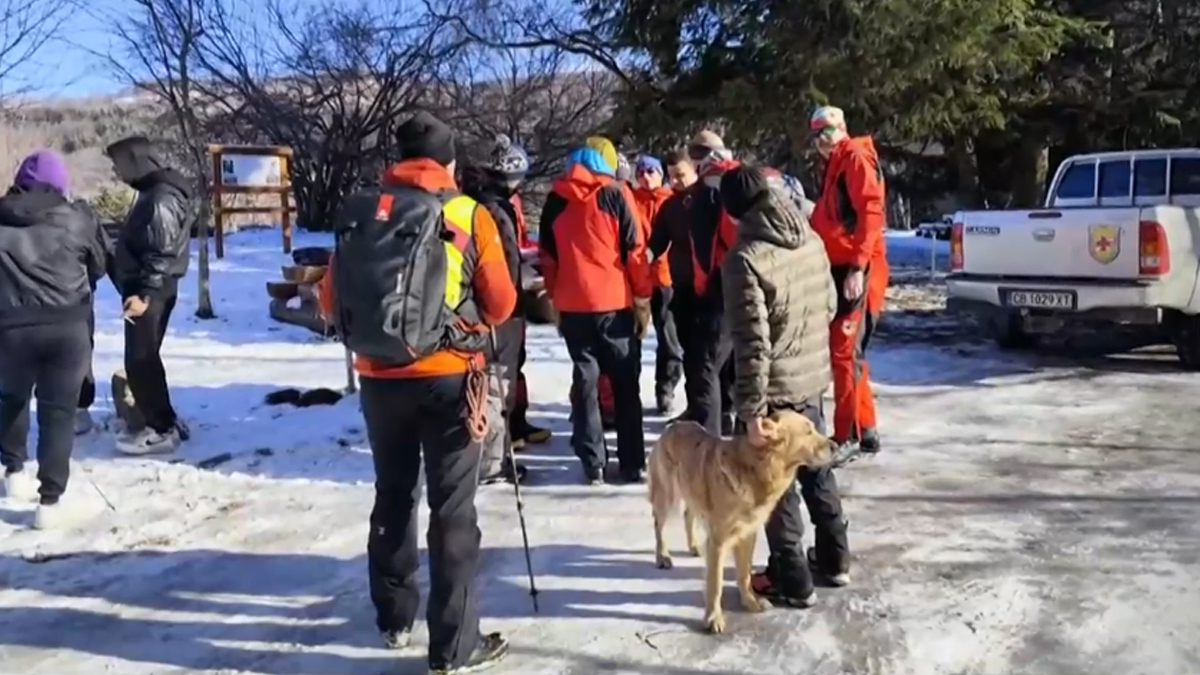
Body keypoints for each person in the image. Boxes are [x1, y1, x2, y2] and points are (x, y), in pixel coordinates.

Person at [317, 111, 516, 673]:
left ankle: (393, 617)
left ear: (397, 161)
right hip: (452, 376)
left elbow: (332, 300)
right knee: (453, 508)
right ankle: (453, 646)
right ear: (450, 163)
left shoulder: (366, 216)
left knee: (394, 494)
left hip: (379, 378)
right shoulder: (467, 213)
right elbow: (501, 304)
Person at [718, 164, 851, 608]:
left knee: (775, 485)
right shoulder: (810, 237)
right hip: (812, 376)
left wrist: (752, 411)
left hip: (774, 389)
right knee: (817, 467)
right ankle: (835, 558)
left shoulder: (745, 258)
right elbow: (831, 303)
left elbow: (752, 344)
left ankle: (792, 577)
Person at [0, 150, 110, 529]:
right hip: (67, 327)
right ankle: (50, 501)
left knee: (11, 398)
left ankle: (13, 472)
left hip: (9, 327)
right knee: (58, 412)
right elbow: (98, 266)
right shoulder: (77, 220)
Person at [539, 144, 652, 485]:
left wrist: (556, 298)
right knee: (624, 383)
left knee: (586, 381)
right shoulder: (616, 195)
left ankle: (593, 462)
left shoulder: (554, 200)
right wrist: (643, 298)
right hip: (614, 303)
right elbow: (634, 252)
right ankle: (632, 462)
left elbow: (548, 257)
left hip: (573, 306)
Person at [807, 106, 889, 464]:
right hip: (843, 266)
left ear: (837, 131)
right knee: (851, 354)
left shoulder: (853, 157)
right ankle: (865, 427)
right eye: (816, 135)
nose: (820, 142)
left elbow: (872, 211)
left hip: (858, 268)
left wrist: (857, 267)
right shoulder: (837, 161)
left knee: (843, 353)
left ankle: (847, 435)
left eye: (825, 133)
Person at [105, 135, 195, 456]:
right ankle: (163, 418)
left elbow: (160, 251)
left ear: (135, 161)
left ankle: (161, 428)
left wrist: (143, 293)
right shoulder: (156, 193)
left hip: (150, 290)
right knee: (145, 357)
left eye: (119, 165)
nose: (117, 173)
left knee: (140, 361)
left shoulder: (160, 199)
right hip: (149, 286)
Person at [460, 134, 531, 485]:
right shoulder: (495, 210)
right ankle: (492, 462)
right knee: (497, 383)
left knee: (489, 382)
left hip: (474, 307)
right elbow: (504, 265)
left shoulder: (469, 203)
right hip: (498, 310)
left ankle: (493, 456)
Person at [677, 130, 739, 436]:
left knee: (707, 369)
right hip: (747, 285)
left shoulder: (709, 192)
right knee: (736, 366)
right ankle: (730, 428)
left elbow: (704, 249)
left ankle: (708, 445)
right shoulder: (741, 180)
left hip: (720, 287)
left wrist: (703, 286)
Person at [632, 154, 682, 413]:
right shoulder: (630, 200)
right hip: (637, 279)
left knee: (669, 339)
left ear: (661, 174)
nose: (646, 176)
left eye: (651, 171)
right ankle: (629, 393)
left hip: (666, 277)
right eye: (640, 171)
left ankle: (666, 389)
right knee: (633, 338)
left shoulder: (672, 200)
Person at [505, 188, 552, 450]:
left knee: (516, 360)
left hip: (516, 289)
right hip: (504, 292)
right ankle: (508, 427)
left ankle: (517, 421)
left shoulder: (512, 201)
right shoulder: (492, 204)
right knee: (505, 365)